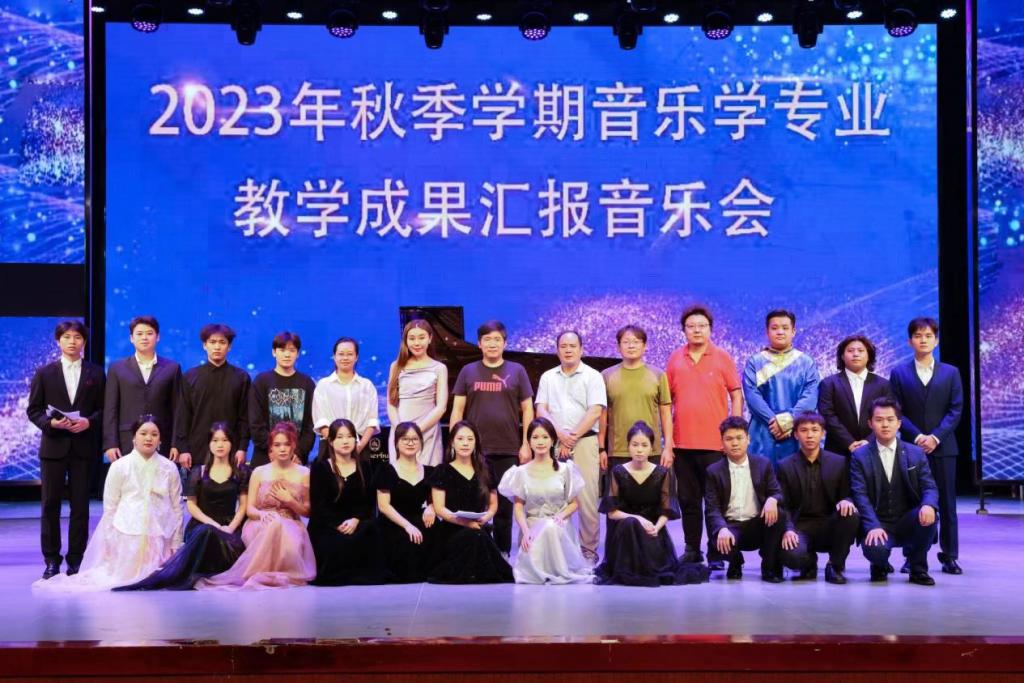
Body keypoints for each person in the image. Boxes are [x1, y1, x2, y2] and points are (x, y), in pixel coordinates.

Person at [34, 416, 182, 592]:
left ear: (160, 440)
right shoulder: (120, 466)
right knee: (122, 578)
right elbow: (110, 508)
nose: (148, 438)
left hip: (161, 533)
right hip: (127, 533)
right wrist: (109, 542)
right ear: (134, 437)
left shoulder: (169, 467)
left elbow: (177, 507)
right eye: (143, 433)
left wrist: (176, 542)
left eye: (154, 434)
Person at [116, 423, 248, 590]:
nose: (220, 445)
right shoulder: (198, 472)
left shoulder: (241, 472)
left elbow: (243, 505)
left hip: (230, 527)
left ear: (232, 443)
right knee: (206, 532)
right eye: (215, 440)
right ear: (209, 443)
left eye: (225, 440)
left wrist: (230, 528)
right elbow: (191, 506)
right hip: (202, 526)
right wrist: (214, 525)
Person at [27, 320, 105, 580]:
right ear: (58, 341)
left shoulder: (96, 373)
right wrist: (50, 423)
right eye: (67, 337)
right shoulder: (44, 373)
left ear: (84, 341)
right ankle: (51, 560)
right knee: (50, 505)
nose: (72, 341)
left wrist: (88, 422)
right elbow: (33, 410)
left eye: (77, 337)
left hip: (83, 447)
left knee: (80, 507)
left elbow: (103, 409)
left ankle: (76, 560)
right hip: (53, 448)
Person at [665, 305, 743, 565]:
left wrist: (735, 427)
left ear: (710, 329)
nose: (697, 330)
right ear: (684, 330)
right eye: (691, 326)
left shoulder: (722, 357)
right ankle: (691, 549)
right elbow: (667, 401)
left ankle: (716, 551)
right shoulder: (675, 358)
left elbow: (736, 393)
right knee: (688, 500)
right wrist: (668, 439)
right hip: (683, 444)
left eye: (702, 326)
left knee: (714, 501)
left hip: (715, 445)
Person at [449, 320, 534, 556]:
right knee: (476, 503)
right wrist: (455, 443)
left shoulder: (517, 370)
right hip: (473, 450)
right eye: (487, 339)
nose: (492, 344)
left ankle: (503, 553)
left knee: (504, 506)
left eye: (497, 339)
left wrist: (526, 444)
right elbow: (457, 410)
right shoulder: (468, 371)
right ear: (479, 344)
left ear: (505, 343)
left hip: (508, 448)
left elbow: (528, 409)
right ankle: (479, 552)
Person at [196, 423, 315, 590]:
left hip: (291, 522)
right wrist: (262, 515)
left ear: (294, 445)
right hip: (260, 522)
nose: (282, 449)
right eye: (277, 445)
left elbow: (308, 512)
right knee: (273, 525)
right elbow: (250, 509)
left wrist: (290, 501)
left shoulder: (304, 473)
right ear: (271, 447)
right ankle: (255, 574)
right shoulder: (259, 472)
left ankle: (268, 574)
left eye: (287, 444)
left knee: (285, 536)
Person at [888, 317, 964, 575]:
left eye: (928, 335)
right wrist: (919, 436)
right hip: (912, 447)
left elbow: (955, 410)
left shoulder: (951, 372)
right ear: (910, 341)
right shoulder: (899, 373)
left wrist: (935, 437)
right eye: (918, 336)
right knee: (913, 502)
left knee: (947, 504)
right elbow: (896, 409)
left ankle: (950, 556)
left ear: (936, 340)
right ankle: (913, 555)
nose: (923, 340)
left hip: (944, 448)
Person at [595, 421, 709, 587]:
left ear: (651, 448)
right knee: (630, 523)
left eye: (644, 445)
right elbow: (612, 512)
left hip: (652, 531)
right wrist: (638, 519)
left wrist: (656, 527)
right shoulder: (618, 471)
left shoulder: (661, 473)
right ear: (628, 446)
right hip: (625, 532)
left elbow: (666, 510)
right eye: (635, 445)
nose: (639, 450)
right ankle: (629, 568)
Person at [850, 397, 940, 586]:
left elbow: (929, 486)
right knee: (876, 549)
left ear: (899, 423)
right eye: (879, 420)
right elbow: (860, 495)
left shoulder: (915, 453)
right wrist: (872, 525)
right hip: (879, 521)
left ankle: (918, 569)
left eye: (890, 419)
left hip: (908, 519)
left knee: (929, 516)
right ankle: (879, 565)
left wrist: (928, 505)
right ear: (870, 423)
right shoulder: (860, 456)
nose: (885, 425)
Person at [535, 330, 606, 564]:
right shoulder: (548, 377)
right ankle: (555, 551)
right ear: (557, 351)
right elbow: (541, 409)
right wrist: (561, 436)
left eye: (572, 346)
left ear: (581, 349)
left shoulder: (593, 376)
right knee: (553, 496)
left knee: (586, 497)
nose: (568, 350)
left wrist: (572, 438)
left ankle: (588, 551)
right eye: (563, 346)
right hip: (554, 442)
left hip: (585, 441)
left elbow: (595, 411)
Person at [498, 418, 592, 584]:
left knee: (550, 526)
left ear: (553, 440)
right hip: (532, 527)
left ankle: (558, 569)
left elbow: (574, 504)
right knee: (543, 529)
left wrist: (560, 516)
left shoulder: (565, 469)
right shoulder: (520, 472)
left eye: (545, 437)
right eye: (535, 437)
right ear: (529, 441)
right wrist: (525, 531)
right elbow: (518, 507)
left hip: (558, 525)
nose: (540, 442)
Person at [777, 412, 860, 584]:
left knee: (851, 514)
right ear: (795, 434)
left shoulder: (839, 462)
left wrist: (847, 501)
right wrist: (788, 529)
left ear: (823, 433)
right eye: (804, 430)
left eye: (815, 430)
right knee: (792, 557)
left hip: (828, 524)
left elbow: (848, 494)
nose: (809, 435)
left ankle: (835, 565)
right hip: (800, 526)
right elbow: (783, 505)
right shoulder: (784, 466)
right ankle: (808, 562)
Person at [428, 421, 513, 584]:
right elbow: (439, 509)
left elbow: (493, 505)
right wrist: (465, 523)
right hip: (451, 529)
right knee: (474, 537)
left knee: (479, 536)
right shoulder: (442, 471)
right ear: (452, 442)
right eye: (460, 439)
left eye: (470, 439)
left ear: (476, 443)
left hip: (478, 526)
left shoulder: (486, 469)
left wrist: (485, 518)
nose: (465, 443)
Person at [704, 417, 786, 583]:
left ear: (748, 439)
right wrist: (721, 528)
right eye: (729, 439)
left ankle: (769, 566)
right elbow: (712, 508)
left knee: (779, 514)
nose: (735, 443)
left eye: (739, 438)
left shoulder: (763, 464)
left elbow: (777, 492)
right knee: (719, 538)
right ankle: (735, 562)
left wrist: (773, 499)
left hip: (757, 524)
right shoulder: (713, 471)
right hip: (731, 527)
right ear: (722, 442)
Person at [308, 419, 387, 585]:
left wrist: (356, 520)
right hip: (328, 524)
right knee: (335, 543)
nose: (346, 441)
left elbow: (369, 502)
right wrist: (337, 524)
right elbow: (318, 505)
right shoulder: (320, 467)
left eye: (350, 436)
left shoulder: (365, 467)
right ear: (331, 441)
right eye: (340, 437)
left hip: (357, 521)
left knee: (372, 533)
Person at [742, 309, 820, 465]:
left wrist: (789, 419)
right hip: (763, 431)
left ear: (793, 331)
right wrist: (774, 422)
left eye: (785, 328)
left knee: (797, 476)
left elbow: (811, 396)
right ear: (767, 332)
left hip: (797, 430)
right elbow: (752, 395)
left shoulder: (806, 362)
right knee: (762, 476)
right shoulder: (755, 362)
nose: (780, 332)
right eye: (774, 328)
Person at [103, 315, 182, 463]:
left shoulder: (172, 368)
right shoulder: (117, 368)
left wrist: (177, 444)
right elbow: (110, 409)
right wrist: (111, 443)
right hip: (126, 440)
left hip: (162, 440)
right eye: (139, 334)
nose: (144, 338)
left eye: (149, 333)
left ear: (158, 337)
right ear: (131, 338)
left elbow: (177, 409)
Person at [174, 324, 250, 470]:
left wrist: (242, 447)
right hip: (197, 453)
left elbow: (244, 417)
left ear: (229, 347)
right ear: (205, 345)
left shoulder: (241, 378)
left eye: (222, 342)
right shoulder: (190, 377)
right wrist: (183, 449)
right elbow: (183, 416)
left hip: (231, 453)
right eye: (212, 342)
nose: (217, 347)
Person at [600, 324, 672, 471]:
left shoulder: (658, 375)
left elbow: (666, 414)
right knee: (617, 487)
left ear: (645, 346)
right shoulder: (606, 376)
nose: (631, 346)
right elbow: (602, 416)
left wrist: (668, 447)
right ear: (618, 347)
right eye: (626, 342)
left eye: (636, 342)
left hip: (651, 449)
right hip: (618, 450)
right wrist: (601, 449)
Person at [375, 421, 438, 583]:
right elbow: (383, 506)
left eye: (415, 439)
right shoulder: (386, 469)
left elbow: (436, 500)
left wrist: (432, 507)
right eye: (405, 439)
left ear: (421, 442)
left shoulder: (430, 471)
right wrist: (407, 526)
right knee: (405, 542)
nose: (410, 443)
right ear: (396, 443)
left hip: (419, 517)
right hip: (393, 521)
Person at [817, 335, 895, 456]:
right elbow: (827, 415)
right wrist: (849, 443)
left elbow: (889, 416)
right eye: (850, 350)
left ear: (869, 356)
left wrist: (869, 441)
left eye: (860, 350)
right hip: (838, 450)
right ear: (842, 356)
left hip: (875, 449)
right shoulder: (828, 383)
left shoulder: (883, 385)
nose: (855, 354)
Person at [387, 319, 449, 466]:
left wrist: (416, 431)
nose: (417, 343)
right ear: (405, 340)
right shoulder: (396, 366)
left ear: (430, 338)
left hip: (428, 430)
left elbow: (441, 407)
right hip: (400, 431)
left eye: (421, 338)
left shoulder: (439, 368)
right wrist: (401, 431)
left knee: (428, 475)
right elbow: (391, 403)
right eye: (412, 338)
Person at [249, 332, 316, 466]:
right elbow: (255, 422)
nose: (287, 355)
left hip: (296, 460)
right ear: (274, 352)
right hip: (265, 458)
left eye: (292, 350)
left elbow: (311, 424)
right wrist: (273, 449)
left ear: (297, 354)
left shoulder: (307, 383)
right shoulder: (261, 381)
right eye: (282, 350)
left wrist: (298, 452)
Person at [312, 337, 380, 457]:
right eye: (341, 354)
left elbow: (372, 421)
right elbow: (321, 420)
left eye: (349, 354)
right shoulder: (323, 385)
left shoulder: (367, 385)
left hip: (360, 447)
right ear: (334, 356)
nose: (345, 358)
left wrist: (359, 446)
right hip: (330, 446)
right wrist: (337, 444)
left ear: (356, 357)